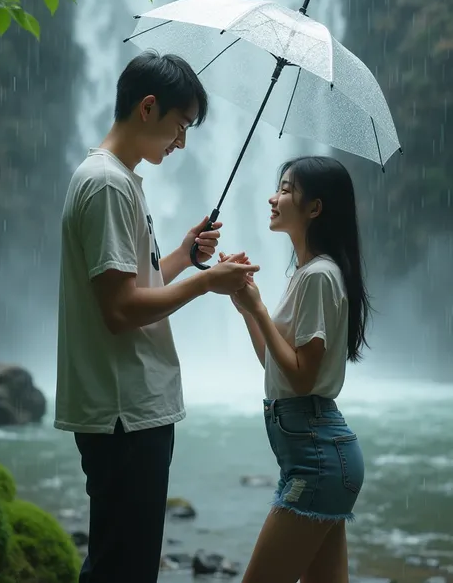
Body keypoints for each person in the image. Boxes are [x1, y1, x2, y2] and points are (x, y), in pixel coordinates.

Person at [54, 50, 259, 583]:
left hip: (128, 408)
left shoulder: (115, 179)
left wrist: (184, 257)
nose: (182, 142)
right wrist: (206, 282)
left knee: (118, 561)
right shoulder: (107, 184)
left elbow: (131, 286)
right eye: (180, 125)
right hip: (125, 410)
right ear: (148, 107)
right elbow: (120, 311)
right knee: (124, 568)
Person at [221, 155, 370, 583]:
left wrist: (260, 309)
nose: (273, 196)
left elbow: (303, 377)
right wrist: (247, 307)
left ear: (315, 208)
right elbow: (277, 365)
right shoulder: (307, 273)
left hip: (317, 458)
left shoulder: (318, 276)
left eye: (286, 189)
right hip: (318, 454)